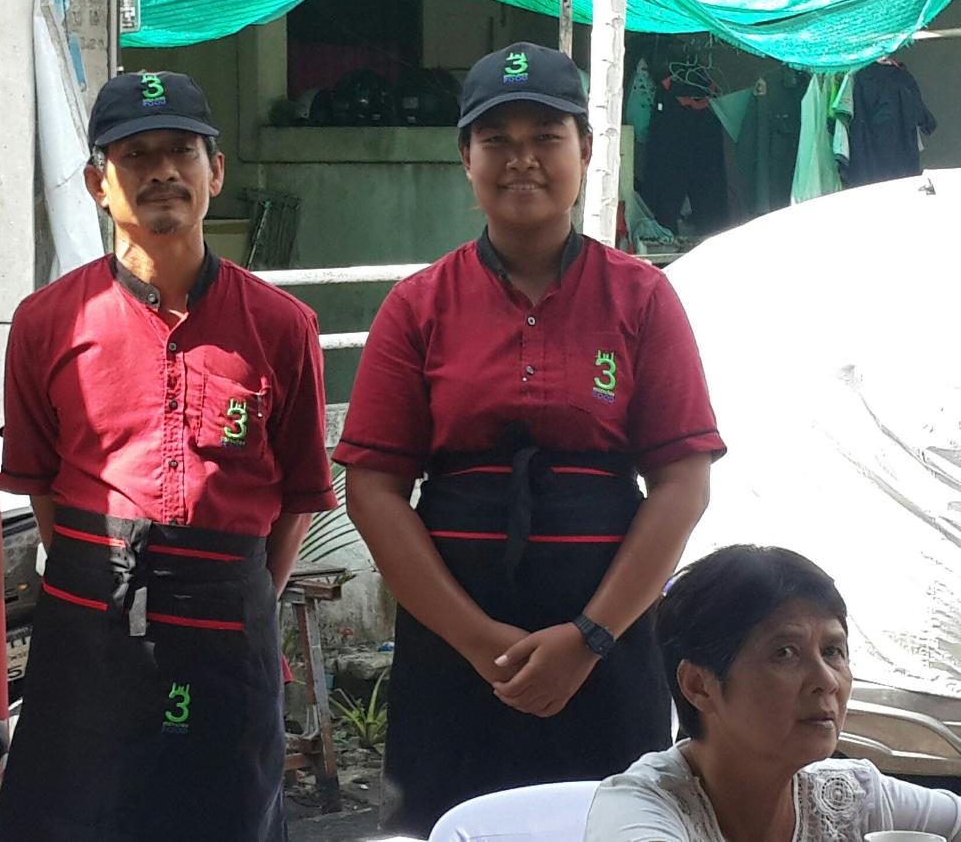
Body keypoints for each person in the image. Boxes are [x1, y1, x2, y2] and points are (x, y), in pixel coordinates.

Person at [333, 41, 726, 835]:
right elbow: (374, 491)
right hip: (453, 648)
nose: (522, 160)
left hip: (607, 647)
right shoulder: (418, 306)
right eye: (497, 140)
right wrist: (478, 641)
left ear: (586, 149)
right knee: (452, 824)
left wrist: (589, 639)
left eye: (546, 137)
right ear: (465, 158)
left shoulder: (643, 299)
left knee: (605, 825)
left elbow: (683, 485)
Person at [0, 70, 337, 842]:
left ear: (216, 171)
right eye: (135, 155)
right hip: (90, 621)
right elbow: (41, 484)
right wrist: (102, 570)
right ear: (98, 185)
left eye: (181, 150)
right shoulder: (47, 323)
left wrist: (241, 595)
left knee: (224, 815)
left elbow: (300, 495)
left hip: (228, 626)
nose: (161, 172)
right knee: (77, 817)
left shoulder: (283, 326)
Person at [585, 545, 961, 840]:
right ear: (699, 685)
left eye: (833, 651)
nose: (827, 680)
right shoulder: (638, 808)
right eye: (785, 653)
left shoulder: (849, 796)